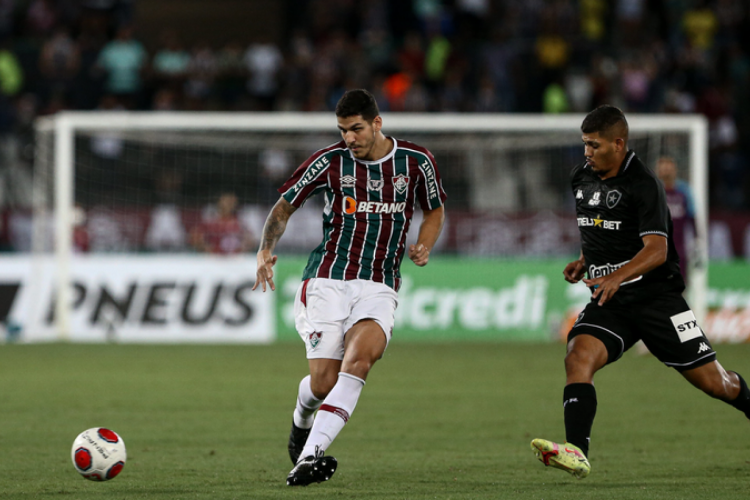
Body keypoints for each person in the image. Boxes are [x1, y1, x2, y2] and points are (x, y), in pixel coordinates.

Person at [531, 105, 750, 479]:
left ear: (618, 144)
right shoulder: (580, 176)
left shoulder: (644, 185)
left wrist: (617, 275)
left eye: (594, 145)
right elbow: (601, 227)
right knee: (577, 356)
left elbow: (656, 250)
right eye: (584, 144)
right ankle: (577, 451)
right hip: (611, 302)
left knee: (717, 385)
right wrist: (585, 259)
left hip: (658, 301)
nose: (587, 152)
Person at [253, 89, 446, 486]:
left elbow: (435, 208)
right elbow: (284, 206)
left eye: (356, 129)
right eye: (343, 131)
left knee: (359, 362)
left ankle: (308, 458)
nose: (350, 139)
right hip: (327, 279)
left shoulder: (416, 161)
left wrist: (425, 242)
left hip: (379, 284)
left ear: (377, 122)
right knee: (324, 382)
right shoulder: (329, 162)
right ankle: (301, 417)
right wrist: (264, 250)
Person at [655, 156, 696, 281]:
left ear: (675, 170)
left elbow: (692, 217)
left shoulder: (684, 191)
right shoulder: (652, 191)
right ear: (658, 171)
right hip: (655, 248)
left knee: (680, 283)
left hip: (679, 248)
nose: (666, 172)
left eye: (669, 168)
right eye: (664, 169)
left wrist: (697, 240)